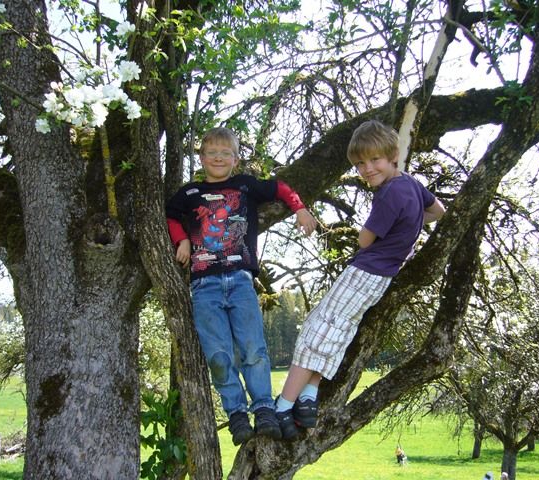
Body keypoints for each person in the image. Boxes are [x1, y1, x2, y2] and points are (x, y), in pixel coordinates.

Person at [274, 119, 446, 439]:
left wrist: (390, 228)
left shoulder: (390, 193)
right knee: (336, 330)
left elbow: (365, 240)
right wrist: (408, 228)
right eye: (360, 163)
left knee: (318, 327)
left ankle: (283, 405)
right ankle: (309, 399)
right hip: (380, 278)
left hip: (365, 271)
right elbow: (438, 211)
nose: (367, 169)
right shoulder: (411, 184)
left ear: (393, 155)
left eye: (374, 160)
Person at [166, 127, 317, 446]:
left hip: (241, 282)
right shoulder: (190, 194)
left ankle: (263, 407)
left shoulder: (246, 186)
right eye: (212, 153)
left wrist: (299, 207)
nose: (218, 158)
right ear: (202, 157)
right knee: (218, 355)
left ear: (236, 159)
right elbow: (169, 214)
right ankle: (236, 413)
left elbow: (279, 188)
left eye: (226, 153)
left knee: (254, 349)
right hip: (204, 285)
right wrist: (181, 240)